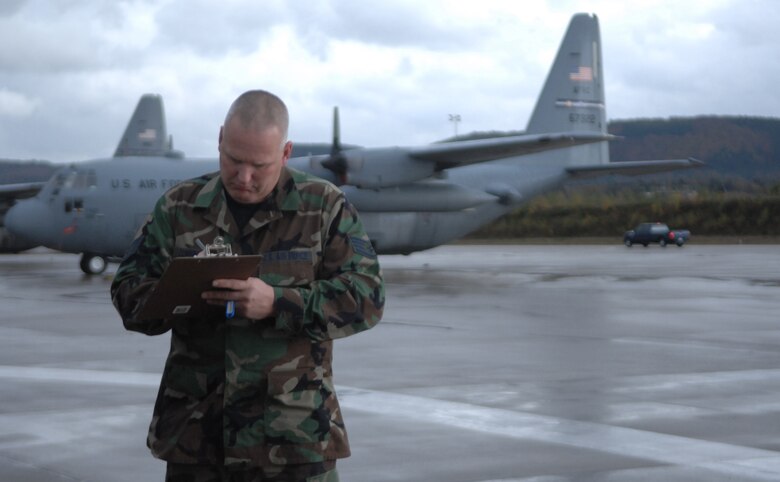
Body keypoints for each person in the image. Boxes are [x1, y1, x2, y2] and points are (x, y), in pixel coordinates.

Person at [111, 90, 385, 481]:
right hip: (197, 437)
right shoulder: (179, 208)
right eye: (233, 160)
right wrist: (179, 294)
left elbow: (367, 297)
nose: (244, 177)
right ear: (220, 139)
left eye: (259, 165)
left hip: (293, 438)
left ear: (286, 152)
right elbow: (127, 293)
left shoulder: (323, 207)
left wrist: (278, 302)